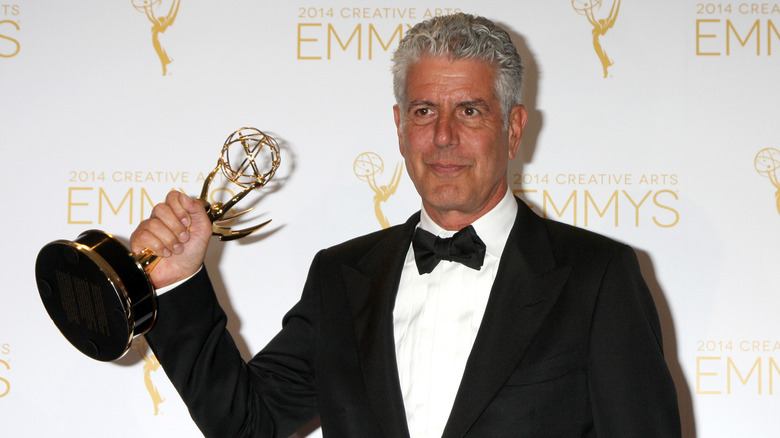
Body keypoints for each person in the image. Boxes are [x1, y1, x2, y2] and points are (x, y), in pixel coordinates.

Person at [132, 13, 681, 438]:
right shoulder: (341, 276)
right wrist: (177, 283)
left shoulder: (596, 275)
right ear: (399, 127)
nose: (443, 136)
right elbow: (246, 424)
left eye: (469, 111)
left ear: (513, 129)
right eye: (423, 112)